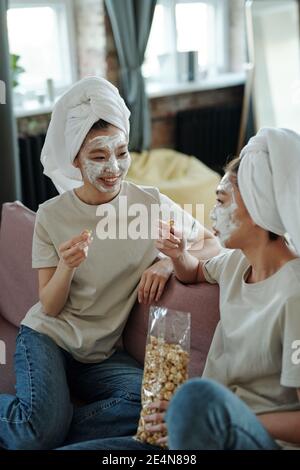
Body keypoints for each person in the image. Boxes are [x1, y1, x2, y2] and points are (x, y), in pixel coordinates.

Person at [0, 77, 219, 450]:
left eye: (121, 152)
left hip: (101, 354)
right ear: (75, 159)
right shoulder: (53, 215)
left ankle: (52, 427)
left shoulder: (149, 203)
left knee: (151, 405)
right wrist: (68, 266)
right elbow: (49, 306)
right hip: (48, 338)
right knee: (35, 432)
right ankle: (41, 427)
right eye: (98, 156)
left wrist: (169, 262)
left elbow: (210, 241)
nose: (113, 167)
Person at [57, 127, 300, 451]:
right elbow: (195, 270)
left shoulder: (294, 296)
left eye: (221, 200)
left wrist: (208, 414)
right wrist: (174, 256)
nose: (211, 213)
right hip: (199, 429)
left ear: (257, 208)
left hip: (254, 438)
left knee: (196, 393)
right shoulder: (235, 264)